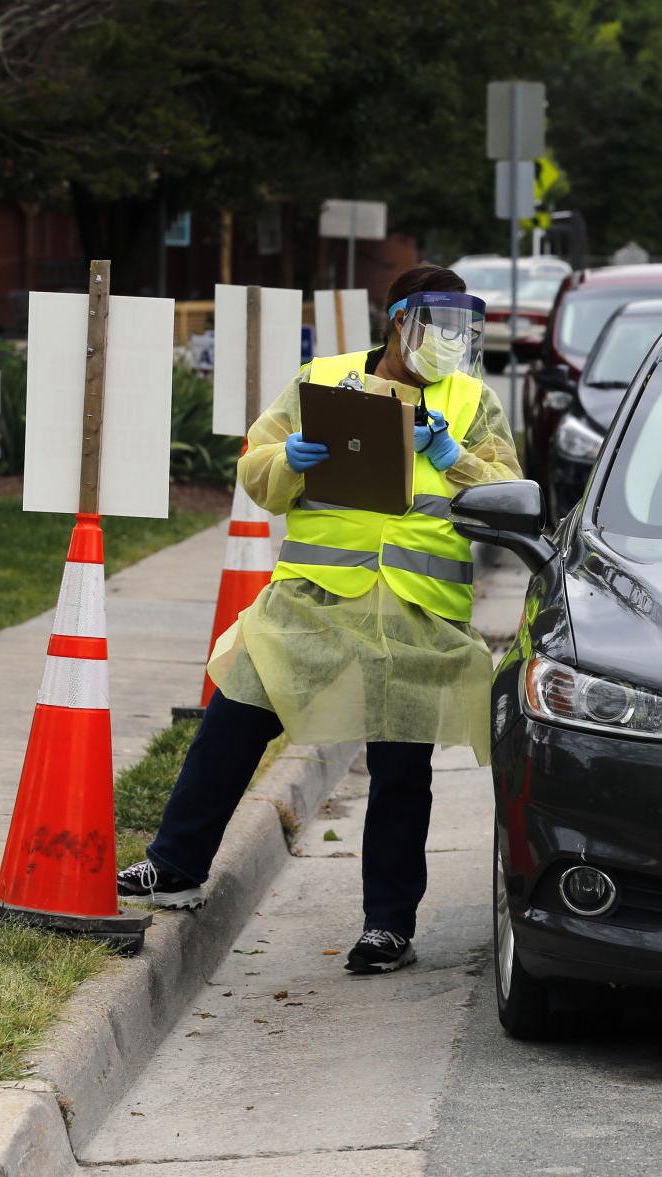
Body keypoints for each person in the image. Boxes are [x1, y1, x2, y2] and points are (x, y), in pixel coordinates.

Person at [117, 264, 522, 974]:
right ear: (400, 322)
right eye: (438, 326)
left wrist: (453, 457)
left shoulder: (470, 401)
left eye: (462, 329)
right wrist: (290, 460)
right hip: (312, 602)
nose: (450, 342)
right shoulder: (326, 380)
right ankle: (176, 866)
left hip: (415, 616)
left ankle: (387, 926)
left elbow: (507, 492)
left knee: (402, 768)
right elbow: (258, 463)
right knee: (233, 717)